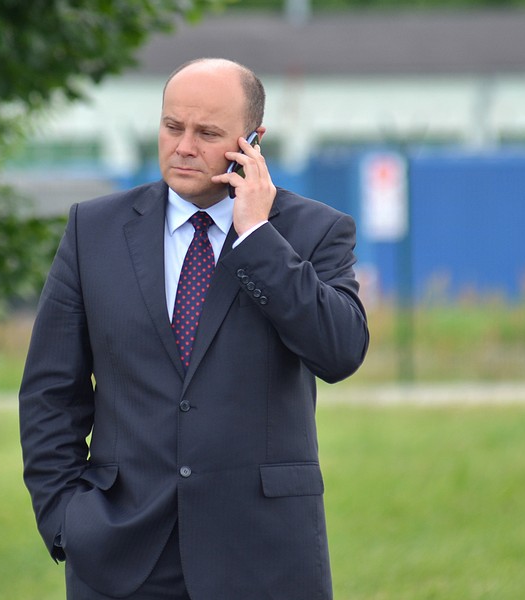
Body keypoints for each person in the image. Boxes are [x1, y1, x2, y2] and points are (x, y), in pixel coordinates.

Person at [19, 57, 369, 600]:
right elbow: (50, 392)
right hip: (120, 553)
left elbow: (340, 351)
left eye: (206, 133)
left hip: (264, 557)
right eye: (172, 126)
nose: (184, 146)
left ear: (253, 140)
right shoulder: (94, 230)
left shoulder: (314, 231)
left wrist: (256, 237)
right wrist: (66, 520)